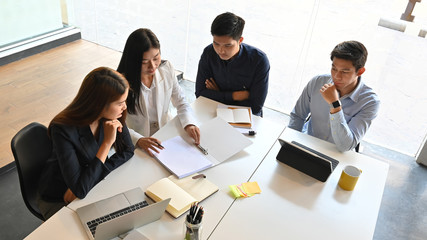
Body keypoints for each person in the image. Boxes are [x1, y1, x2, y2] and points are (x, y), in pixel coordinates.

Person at [37, 67, 135, 220]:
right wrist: (107, 144)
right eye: (120, 103)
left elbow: (128, 150)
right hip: (58, 196)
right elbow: (81, 190)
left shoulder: (111, 115)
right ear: (100, 104)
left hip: (87, 186)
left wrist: (92, 177)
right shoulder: (62, 129)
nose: (125, 107)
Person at [117, 28, 200, 156]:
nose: (153, 66)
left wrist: (189, 123)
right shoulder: (121, 83)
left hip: (165, 134)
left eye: (156, 58)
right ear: (134, 61)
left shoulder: (166, 69)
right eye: (145, 62)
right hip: (138, 143)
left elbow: (181, 101)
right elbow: (115, 123)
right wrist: (138, 140)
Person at [288, 40, 380, 152]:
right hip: (307, 143)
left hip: (337, 154)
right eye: (334, 68)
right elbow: (298, 116)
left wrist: (335, 105)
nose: (336, 76)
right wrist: (290, 145)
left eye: (345, 72)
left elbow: (347, 145)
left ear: (360, 71)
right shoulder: (317, 82)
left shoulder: (370, 102)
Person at [195, 12, 270, 117]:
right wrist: (234, 96)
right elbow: (200, 94)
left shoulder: (259, 60)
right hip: (214, 112)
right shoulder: (209, 53)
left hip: (246, 118)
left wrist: (218, 93)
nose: (221, 51)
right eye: (216, 43)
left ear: (240, 41)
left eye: (228, 45)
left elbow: (256, 106)